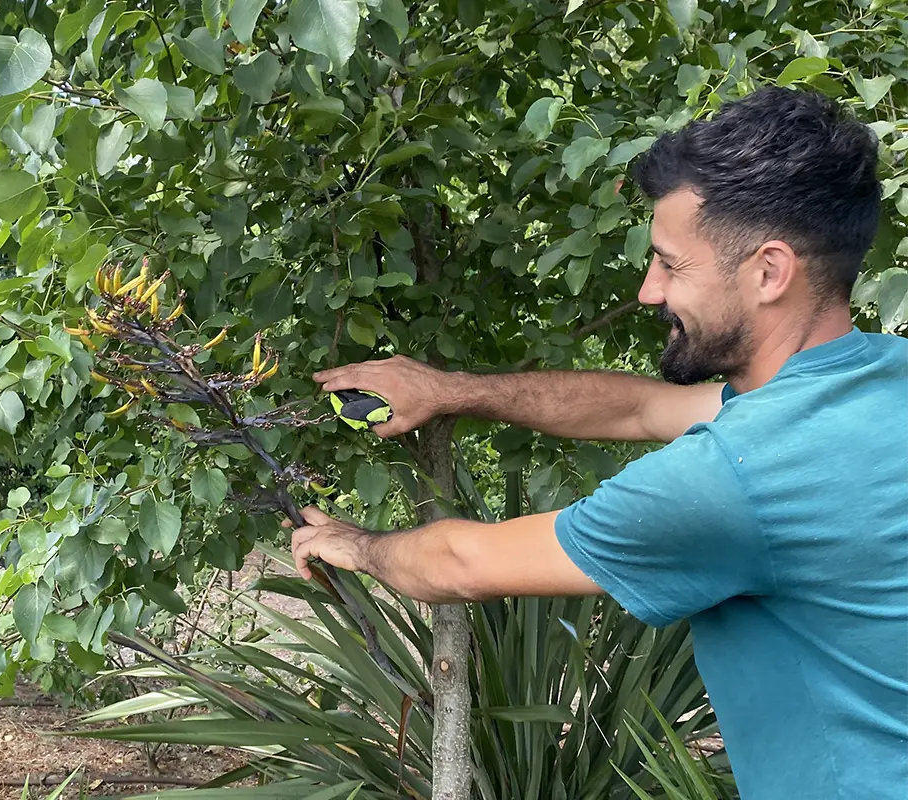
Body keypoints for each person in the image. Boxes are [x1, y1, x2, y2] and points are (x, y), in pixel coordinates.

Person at [286, 86, 908, 799]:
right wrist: (453, 390)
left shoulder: (738, 476)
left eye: (671, 265)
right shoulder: (878, 382)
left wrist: (354, 544)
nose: (649, 291)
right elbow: (644, 409)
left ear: (769, 272)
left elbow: (463, 562)